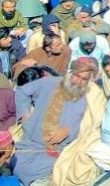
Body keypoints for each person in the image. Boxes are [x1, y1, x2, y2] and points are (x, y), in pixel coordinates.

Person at [13, 57, 97, 185]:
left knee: (69, 168)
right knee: (19, 163)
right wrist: (26, 117)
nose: (78, 81)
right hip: (33, 144)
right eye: (76, 76)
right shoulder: (49, 82)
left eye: (84, 79)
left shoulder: (91, 96)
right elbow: (21, 91)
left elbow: (92, 124)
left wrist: (69, 130)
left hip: (64, 148)